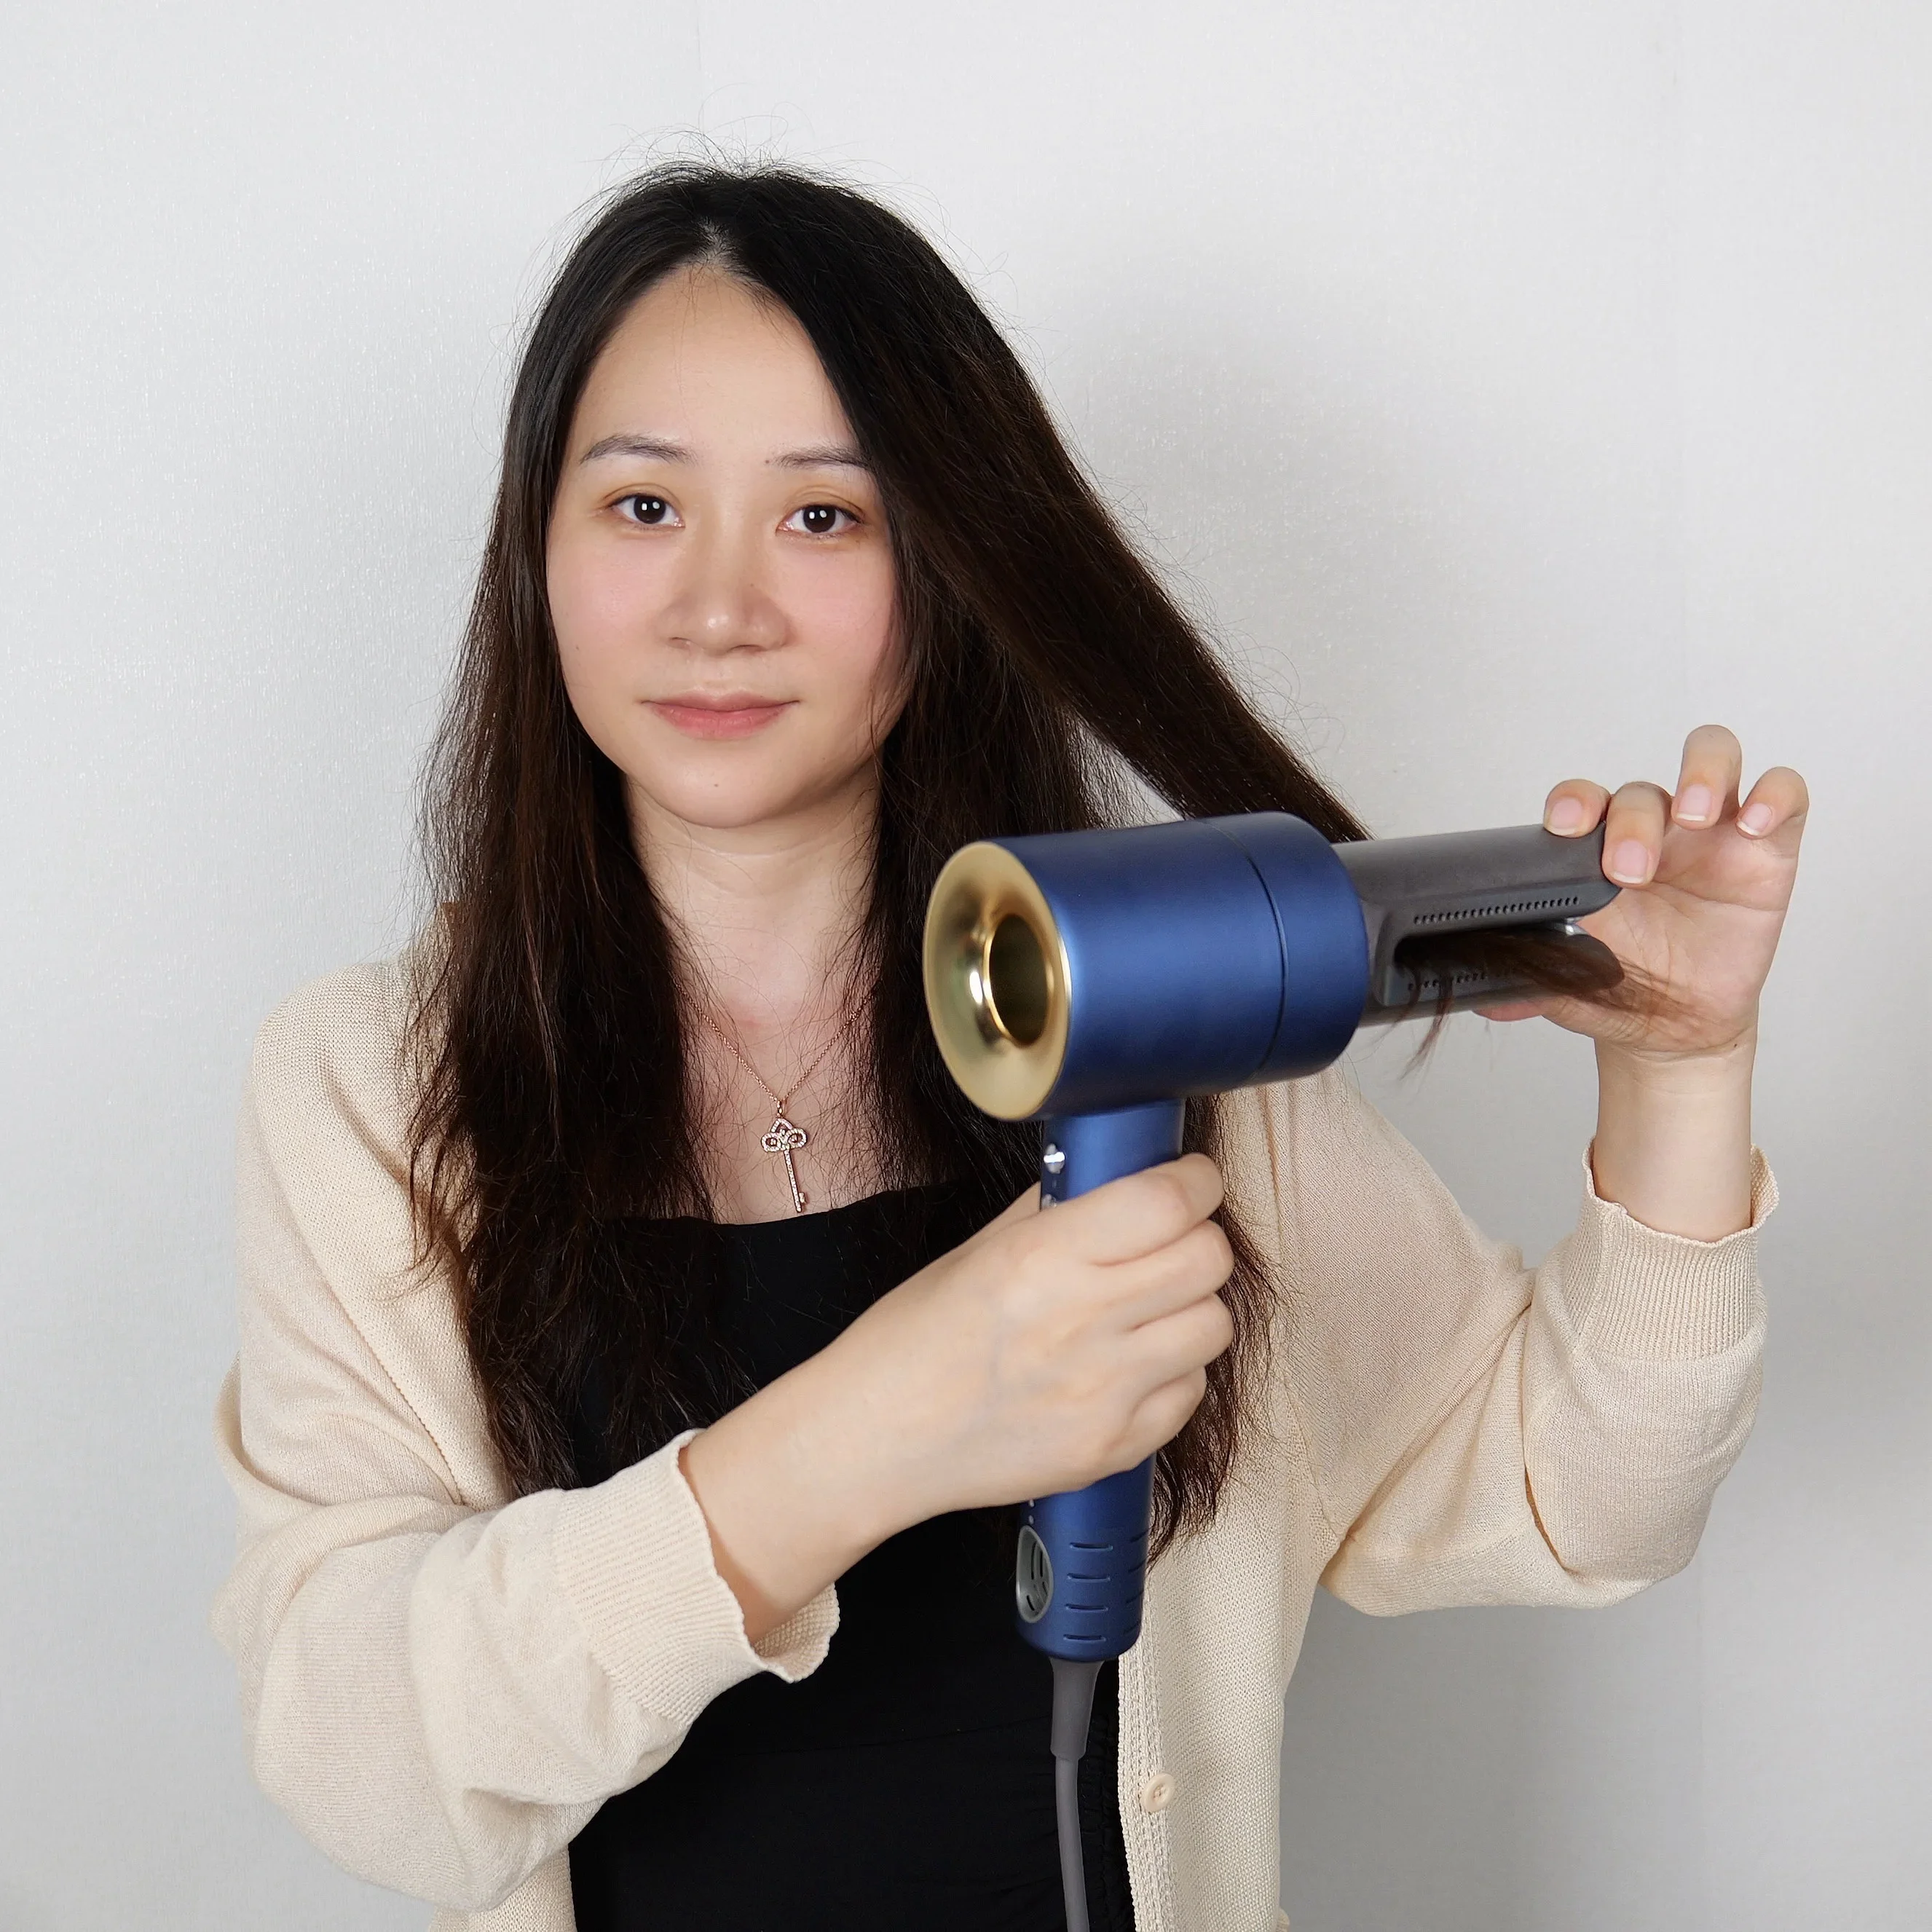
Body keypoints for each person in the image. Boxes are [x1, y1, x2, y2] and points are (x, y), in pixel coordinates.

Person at [210, 163, 1802, 1932]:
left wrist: (1682, 1067)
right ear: (540, 553)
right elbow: (361, 1762)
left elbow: (1576, 1493)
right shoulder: (371, 1093)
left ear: (946, 564)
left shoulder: (1160, 1034)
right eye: (643, 504)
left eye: (826, 517)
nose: (719, 607)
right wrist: (872, 1426)